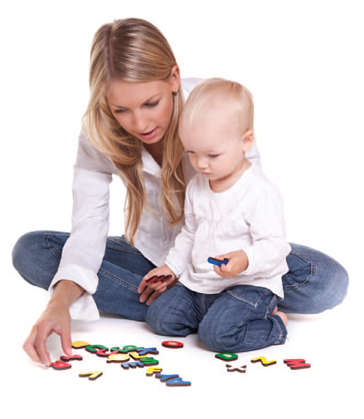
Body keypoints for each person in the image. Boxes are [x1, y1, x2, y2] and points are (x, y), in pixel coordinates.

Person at [12, 18, 348, 365]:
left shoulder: (218, 112)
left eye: (151, 103)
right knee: (32, 251)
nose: (139, 124)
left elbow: (248, 210)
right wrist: (58, 304)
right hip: (153, 258)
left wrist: (234, 268)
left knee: (327, 281)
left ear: (173, 77)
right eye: (121, 110)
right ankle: (216, 313)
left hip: (225, 259)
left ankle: (193, 307)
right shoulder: (99, 134)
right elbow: (87, 229)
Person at [139, 79, 289, 352]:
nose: (200, 164)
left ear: (245, 141)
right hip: (201, 284)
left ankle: (275, 325)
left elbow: (276, 246)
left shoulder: (259, 191)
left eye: (212, 154)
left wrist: (245, 259)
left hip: (248, 285)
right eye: (192, 153)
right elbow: (191, 232)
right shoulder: (198, 184)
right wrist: (172, 267)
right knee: (159, 318)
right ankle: (216, 318)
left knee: (217, 338)